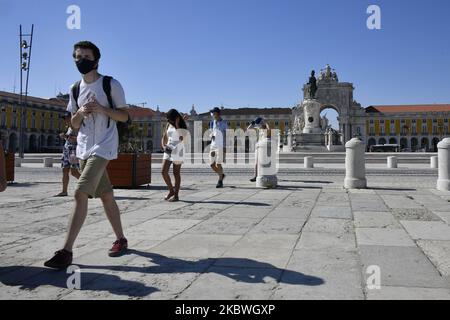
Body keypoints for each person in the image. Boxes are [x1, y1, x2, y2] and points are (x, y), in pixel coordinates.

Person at [44, 41, 130, 269]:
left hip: (104, 146)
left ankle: (66, 251)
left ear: (96, 60)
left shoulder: (111, 84)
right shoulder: (75, 89)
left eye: (85, 56)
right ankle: (121, 239)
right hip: (83, 148)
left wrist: (102, 109)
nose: (80, 60)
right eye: (77, 56)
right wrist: (80, 112)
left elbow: (124, 117)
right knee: (106, 196)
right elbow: (72, 124)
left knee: (80, 192)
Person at [161, 109, 187, 202]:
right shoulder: (168, 124)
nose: (168, 120)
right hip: (168, 149)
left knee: (176, 173)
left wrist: (176, 125)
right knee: (163, 171)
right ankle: (171, 191)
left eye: (169, 118)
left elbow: (182, 138)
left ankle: (176, 196)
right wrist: (163, 145)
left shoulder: (181, 125)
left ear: (175, 118)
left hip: (178, 149)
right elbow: (164, 135)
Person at [54, 112, 81, 197]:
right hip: (66, 150)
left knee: (74, 172)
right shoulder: (69, 127)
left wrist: (67, 137)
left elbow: (81, 139)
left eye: (67, 118)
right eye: (64, 118)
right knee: (65, 170)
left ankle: (89, 187)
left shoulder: (77, 127)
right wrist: (65, 136)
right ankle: (64, 191)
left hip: (73, 151)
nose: (65, 120)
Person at [247, 117, 271, 182]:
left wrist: (266, 123)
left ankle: (266, 175)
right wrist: (253, 123)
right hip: (258, 147)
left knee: (265, 163)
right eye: (259, 124)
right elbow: (248, 129)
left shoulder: (266, 129)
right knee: (256, 163)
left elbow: (269, 130)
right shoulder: (258, 129)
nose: (259, 125)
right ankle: (255, 176)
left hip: (265, 148)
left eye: (260, 124)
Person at [209, 107, 227, 188]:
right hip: (213, 145)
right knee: (212, 164)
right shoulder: (212, 123)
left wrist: (225, 147)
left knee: (218, 163)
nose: (212, 114)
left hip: (221, 145)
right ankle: (222, 175)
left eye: (214, 113)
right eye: (212, 113)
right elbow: (211, 133)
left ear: (218, 113)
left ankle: (220, 181)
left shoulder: (224, 123)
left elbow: (227, 135)